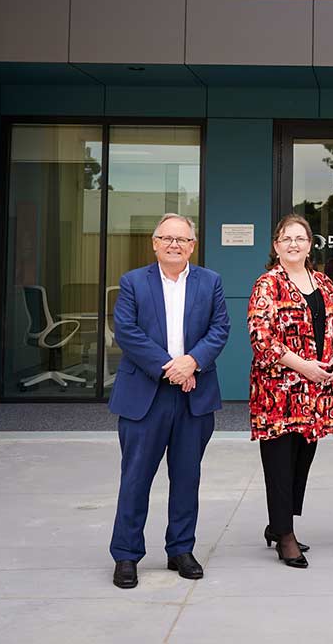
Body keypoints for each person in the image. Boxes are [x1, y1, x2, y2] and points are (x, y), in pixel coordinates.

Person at [108, 214, 230, 590]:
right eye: (167, 238)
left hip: (194, 395)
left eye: (182, 239)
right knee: (136, 478)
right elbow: (126, 331)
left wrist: (192, 362)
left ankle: (180, 549)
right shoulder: (132, 282)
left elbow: (219, 328)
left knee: (187, 477)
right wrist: (171, 368)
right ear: (154, 243)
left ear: (193, 245)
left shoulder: (210, 282)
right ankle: (126, 555)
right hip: (145, 395)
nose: (174, 244)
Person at [247, 214, 333, 568]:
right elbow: (261, 338)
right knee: (278, 464)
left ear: (309, 245)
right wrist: (302, 365)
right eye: (286, 238)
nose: (293, 244)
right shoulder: (267, 285)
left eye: (300, 238)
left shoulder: (324, 284)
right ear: (276, 246)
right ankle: (284, 536)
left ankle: (279, 523)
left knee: (301, 463)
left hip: (316, 395)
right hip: (278, 393)